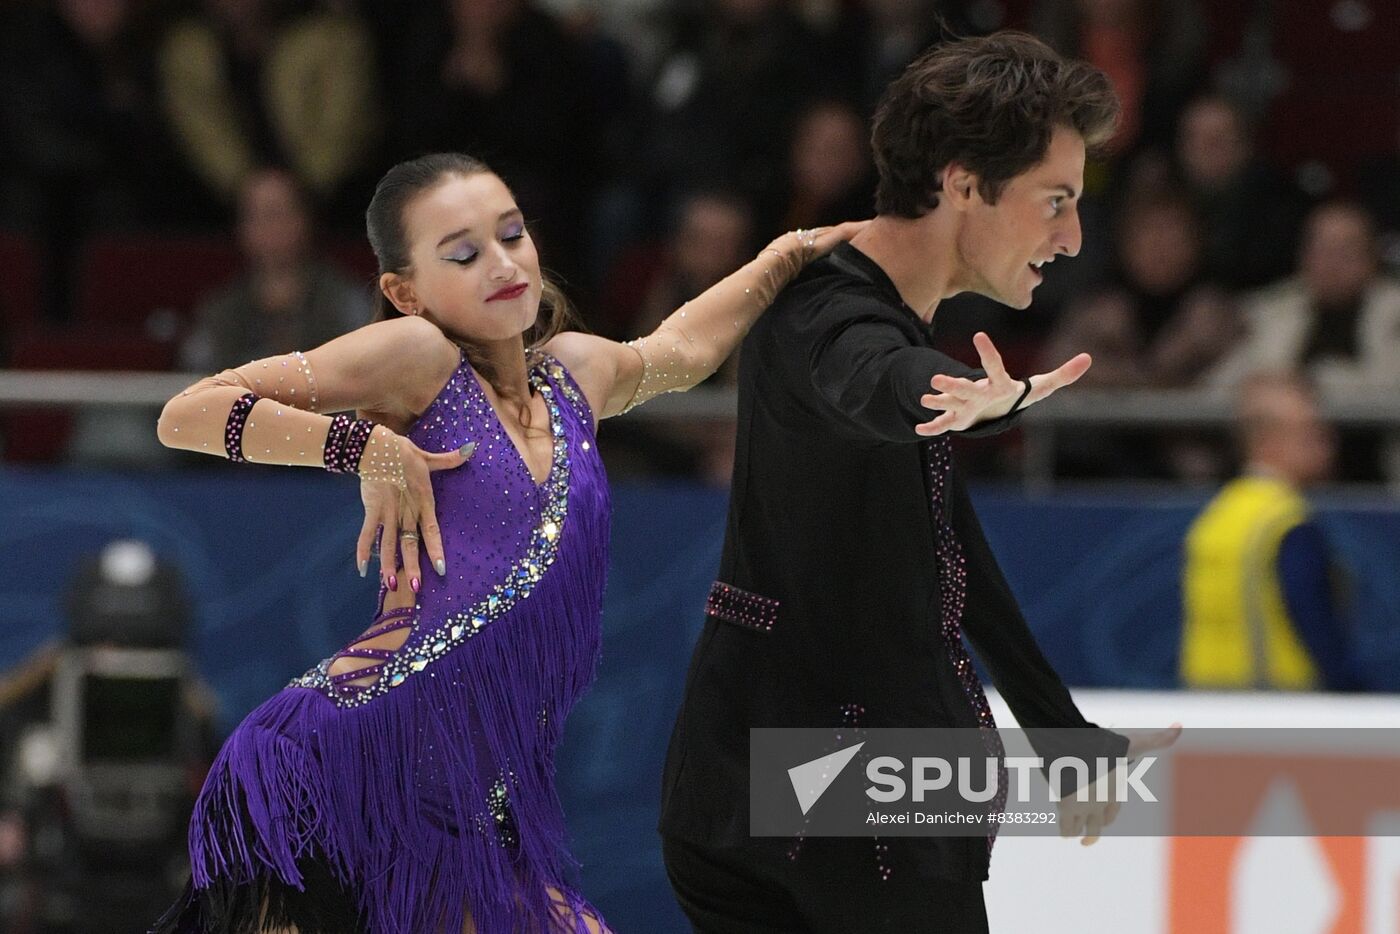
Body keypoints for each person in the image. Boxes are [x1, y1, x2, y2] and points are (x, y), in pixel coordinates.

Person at [152, 151, 863, 933]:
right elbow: (190, 411)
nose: (501, 262)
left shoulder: (574, 374)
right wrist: (364, 448)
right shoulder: (418, 357)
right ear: (404, 292)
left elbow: (683, 351)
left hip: (474, 787)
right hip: (350, 764)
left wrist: (782, 256)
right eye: (462, 253)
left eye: (512, 234)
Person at [656, 33, 1181, 932]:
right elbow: (875, 379)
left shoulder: (842, 307)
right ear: (963, 183)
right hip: (850, 787)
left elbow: (944, 542)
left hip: (737, 772)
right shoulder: (841, 320)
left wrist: (1057, 727)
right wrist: (960, 400)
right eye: (1055, 202)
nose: (1073, 237)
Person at [1180, 372, 1359, 691]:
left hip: (1207, 704)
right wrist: (1352, 694)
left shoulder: (1216, 517)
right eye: (1310, 433)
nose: (1326, 443)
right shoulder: (1287, 523)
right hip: (1281, 707)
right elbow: (1315, 624)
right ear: (1268, 441)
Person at [178, 168, 372, 373]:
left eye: (274, 214)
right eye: (252, 216)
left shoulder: (345, 304)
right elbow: (193, 383)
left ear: (303, 220)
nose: (263, 227)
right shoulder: (220, 312)